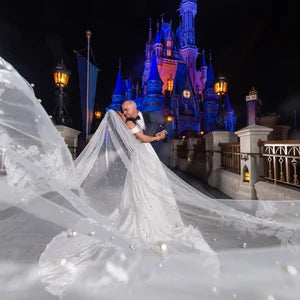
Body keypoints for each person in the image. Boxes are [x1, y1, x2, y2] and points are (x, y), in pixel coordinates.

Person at [1, 56, 300, 300]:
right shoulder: (130, 122)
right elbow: (141, 137)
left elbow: (143, 129)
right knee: (142, 191)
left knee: (153, 190)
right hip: (143, 157)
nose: (132, 105)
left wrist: (153, 129)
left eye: (131, 104)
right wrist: (150, 132)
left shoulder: (138, 114)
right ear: (126, 109)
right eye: (128, 105)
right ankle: (145, 220)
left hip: (146, 161)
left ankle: (156, 217)